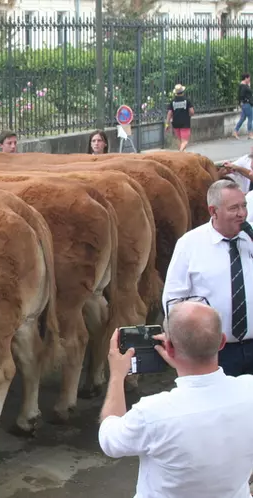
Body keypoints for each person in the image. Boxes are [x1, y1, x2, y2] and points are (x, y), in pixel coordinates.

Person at [99, 300, 253, 498]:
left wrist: (117, 376)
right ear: (222, 342)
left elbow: (110, 440)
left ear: (169, 347)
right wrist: (183, 365)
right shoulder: (248, 390)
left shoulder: (151, 412)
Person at [163, 179, 253, 376]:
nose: (242, 213)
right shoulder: (190, 244)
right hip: (215, 353)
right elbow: (173, 298)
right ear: (213, 211)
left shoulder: (250, 237)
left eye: (244, 206)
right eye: (234, 208)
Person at [165, 83, 195, 152]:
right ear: (182, 91)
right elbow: (192, 112)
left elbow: (169, 113)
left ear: (176, 93)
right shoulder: (187, 100)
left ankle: (182, 155)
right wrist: (189, 114)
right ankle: (180, 152)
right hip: (185, 123)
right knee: (185, 141)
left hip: (176, 123)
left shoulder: (172, 101)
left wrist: (167, 124)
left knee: (180, 140)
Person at [233, 73, 253, 140]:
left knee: (242, 119)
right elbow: (242, 95)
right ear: (246, 78)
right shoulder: (244, 86)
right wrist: (244, 101)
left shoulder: (243, 85)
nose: (250, 79)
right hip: (247, 104)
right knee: (250, 118)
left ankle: (235, 131)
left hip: (245, 105)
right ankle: (250, 134)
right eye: (249, 78)